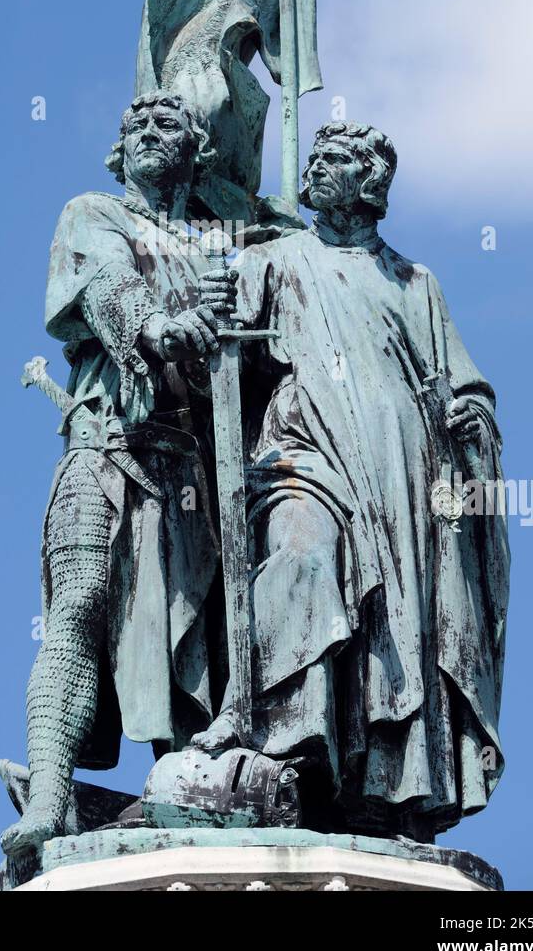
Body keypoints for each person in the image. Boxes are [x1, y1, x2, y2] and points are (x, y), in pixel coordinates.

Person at [195, 121, 510, 840]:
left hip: (404, 468)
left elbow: (467, 385)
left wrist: (471, 421)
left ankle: (383, 782)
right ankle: (292, 741)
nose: (315, 168)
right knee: (302, 561)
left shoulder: (415, 282)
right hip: (304, 454)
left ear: (369, 184)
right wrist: (210, 301)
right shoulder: (272, 260)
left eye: (333, 160)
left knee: (403, 622)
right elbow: (220, 345)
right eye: (314, 158)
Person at [3, 92, 228, 852]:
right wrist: (157, 327)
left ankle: (190, 790)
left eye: (168, 125)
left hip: (197, 463)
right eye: (135, 125)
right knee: (81, 601)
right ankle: (49, 792)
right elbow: (106, 283)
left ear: (198, 150)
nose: (148, 135)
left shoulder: (221, 240)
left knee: (200, 633)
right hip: (104, 439)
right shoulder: (94, 212)